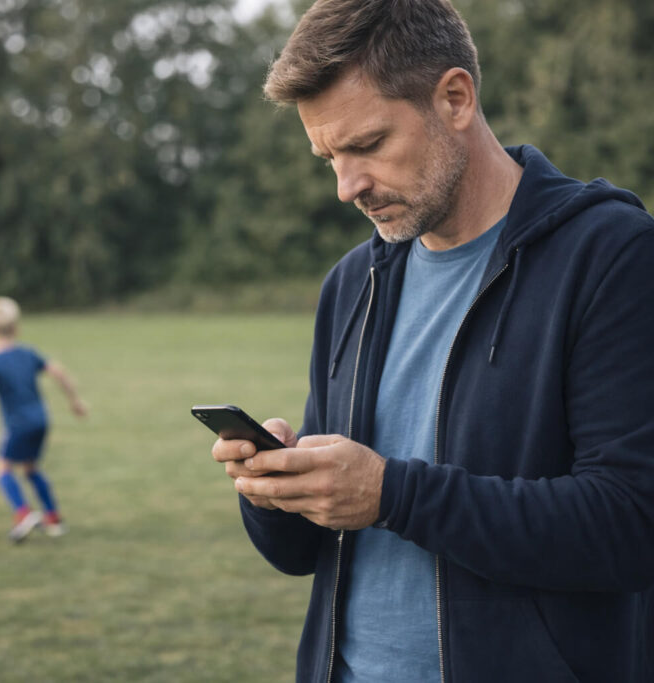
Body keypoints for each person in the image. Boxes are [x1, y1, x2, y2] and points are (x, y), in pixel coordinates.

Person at [210, 1, 654, 681]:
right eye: (328, 156)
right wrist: (274, 491)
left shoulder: (611, 254)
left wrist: (393, 494)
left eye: (366, 145)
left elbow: (629, 525)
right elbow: (309, 553)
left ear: (454, 98)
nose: (345, 186)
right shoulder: (351, 282)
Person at [0, 296, 87, 543]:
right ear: (17, 328)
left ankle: (23, 514)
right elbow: (58, 372)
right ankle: (53, 518)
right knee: (31, 468)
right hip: (42, 420)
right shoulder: (28, 353)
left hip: (18, 425)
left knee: (1, 468)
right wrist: (74, 401)